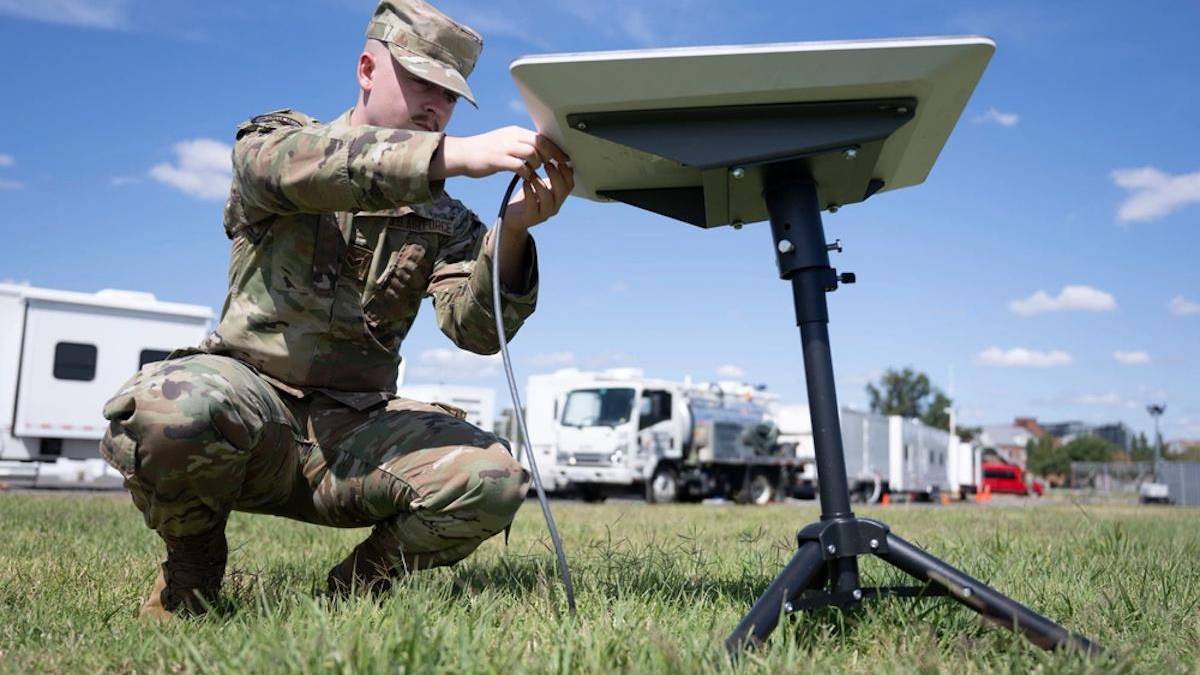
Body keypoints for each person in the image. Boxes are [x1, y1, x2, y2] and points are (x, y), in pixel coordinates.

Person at [99, 0, 574, 620]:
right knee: (169, 405)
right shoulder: (278, 144)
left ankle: (358, 588)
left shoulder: (447, 221)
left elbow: (477, 332)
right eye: (421, 83)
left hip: (354, 440)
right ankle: (192, 574)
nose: (435, 107)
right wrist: (450, 156)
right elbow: (301, 168)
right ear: (367, 69)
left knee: (492, 478)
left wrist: (511, 234)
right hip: (250, 415)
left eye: (449, 97)